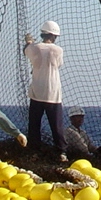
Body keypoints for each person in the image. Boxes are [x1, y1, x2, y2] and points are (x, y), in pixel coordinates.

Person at [24, 20, 66, 161]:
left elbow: (27, 50)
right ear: (54, 36)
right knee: (56, 125)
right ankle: (61, 152)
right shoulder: (58, 50)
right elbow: (58, 64)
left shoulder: (35, 48)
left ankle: (34, 151)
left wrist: (29, 42)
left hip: (37, 92)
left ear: (42, 34)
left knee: (34, 124)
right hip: (53, 93)